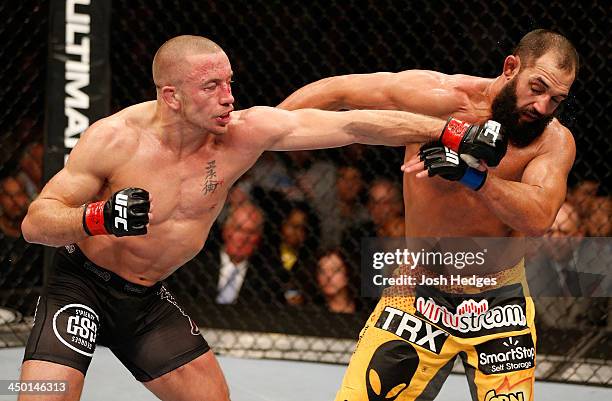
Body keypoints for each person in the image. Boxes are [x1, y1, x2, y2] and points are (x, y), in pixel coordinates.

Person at [18, 35, 500, 401]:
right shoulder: (115, 139)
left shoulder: (242, 133)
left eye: (229, 81)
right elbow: (36, 223)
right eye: (211, 86)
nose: (229, 96)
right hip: (81, 285)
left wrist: (453, 131)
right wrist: (98, 217)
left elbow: (352, 122)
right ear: (171, 97)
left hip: (145, 301)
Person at [279, 29, 578, 401]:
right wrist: (259, 132)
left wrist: (475, 178)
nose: (542, 107)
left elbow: (537, 217)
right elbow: (337, 91)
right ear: (511, 67)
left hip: (499, 302)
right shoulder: (439, 98)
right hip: (418, 290)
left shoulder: (553, 140)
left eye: (556, 100)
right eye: (537, 87)